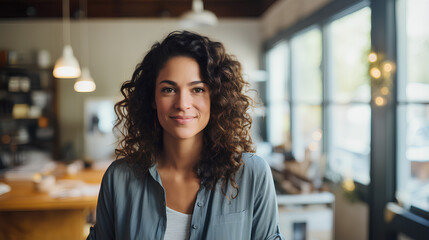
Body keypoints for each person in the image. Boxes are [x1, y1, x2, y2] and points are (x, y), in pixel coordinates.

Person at [87, 31, 284, 240]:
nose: (182, 104)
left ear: (214, 98)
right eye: (169, 89)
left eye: (197, 89)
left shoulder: (252, 174)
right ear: (152, 98)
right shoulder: (118, 179)